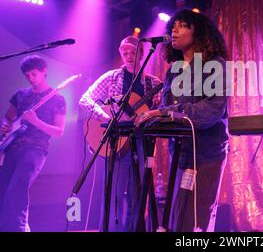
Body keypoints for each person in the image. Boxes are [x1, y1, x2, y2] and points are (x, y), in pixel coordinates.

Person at [136, 10, 229, 232]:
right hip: (181, 154)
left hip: (207, 153)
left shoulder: (215, 64)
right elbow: (167, 109)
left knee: (197, 222)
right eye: (172, 26)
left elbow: (212, 110)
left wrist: (167, 112)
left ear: (198, 31)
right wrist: (152, 116)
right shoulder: (173, 71)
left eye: (182, 25)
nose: (174, 30)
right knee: (179, 221)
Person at [79, 36, 162, 231]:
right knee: (113, 196)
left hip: (142, 143)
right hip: (116, 142)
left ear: (141, 54)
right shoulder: (111, 77)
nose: (128, 56)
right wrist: (105, 117)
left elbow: (160, 111)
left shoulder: (154, 83)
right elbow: (85, 99)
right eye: (124, 53)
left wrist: (153, 113)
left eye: (132, 52)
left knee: (138, 195)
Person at [0, 55, 66, 232]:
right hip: (13, 147)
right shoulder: (20, 95)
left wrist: (36, 121)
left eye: (34, 74)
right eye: (27, 75)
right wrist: (5, 126)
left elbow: (59, 131)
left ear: (44, 72)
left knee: (17, 188)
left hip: (36, 150)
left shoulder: (57, 99)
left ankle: (20, 229)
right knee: (4, 189)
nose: (31, 78)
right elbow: (8, 117)